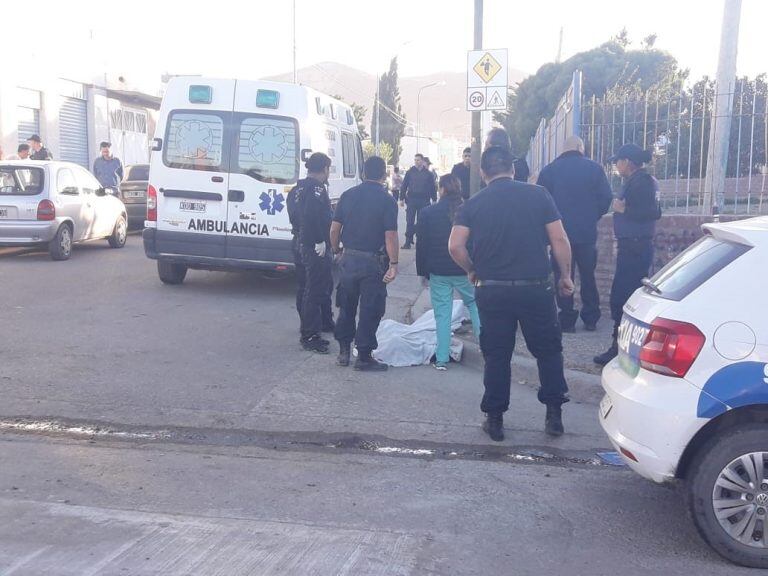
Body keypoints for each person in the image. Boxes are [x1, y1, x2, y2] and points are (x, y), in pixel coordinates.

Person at [449, 145, 574, 441]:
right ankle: (554, 416)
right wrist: (566, 276)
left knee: (497, 355)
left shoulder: (474, 204)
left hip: (492, 290)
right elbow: (559, 238)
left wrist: (471, 269)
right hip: (536, 289)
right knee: (548, 351)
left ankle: (495, 420)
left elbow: (455, 246)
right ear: (514, 169)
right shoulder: (539, 195)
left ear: (482, 173)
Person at [536, 135, 613, 332]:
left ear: (562, 149)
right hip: (586, 234)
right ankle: (591, 318)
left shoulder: (549, 171)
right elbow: (606, 198)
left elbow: (541, 202)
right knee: (588, 276)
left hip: (558, 235)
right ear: (580, 147)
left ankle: (567, 319)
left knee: (563, 276)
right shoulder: (594, 169)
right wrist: (592, 215)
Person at [594, 144, 661, 366]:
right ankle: (620, 346)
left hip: (635, 247)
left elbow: (653, 212)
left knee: (624, 297)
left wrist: (624, 210)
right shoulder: (639, 181)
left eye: (618, 161)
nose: (616, 166)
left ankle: (619, 348)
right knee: (622, 296)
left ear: (628, 162)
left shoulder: (641, 182)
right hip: (632, 246)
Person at [331, 156, 399, 371]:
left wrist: (337, 251)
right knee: (371, 309)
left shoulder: (348, 195)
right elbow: (390, 236)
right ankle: (363, 355)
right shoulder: (387, 200)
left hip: (349, 259)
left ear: (363, 172)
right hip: (373, 263)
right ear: (383, 175)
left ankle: (343, 351)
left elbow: (334, 229)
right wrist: (394, 263)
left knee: (346, 307)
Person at [416, 174, 481, 370]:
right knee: (475, 305)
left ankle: (442, 358)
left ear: (441, 189)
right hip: (465, 269)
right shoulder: (470, 210)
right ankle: (487, 349)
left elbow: (422, 246)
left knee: (442, 314)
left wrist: (422, 272)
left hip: (439, 271)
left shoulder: (428, 213)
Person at [286, 152, 335, 354]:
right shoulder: (316, 189)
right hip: (312, 245)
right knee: (314, 289)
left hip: (298, 241)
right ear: (324, 169)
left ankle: (319, 323)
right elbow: (311, 216)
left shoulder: (297, 188)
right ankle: (310, 335)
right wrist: (319, 240)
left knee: (306, 286)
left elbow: (294, 215)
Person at [400, 153, 436, 249]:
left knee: (422, 221)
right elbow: (404, 185)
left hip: (424, 200)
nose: (416, 162)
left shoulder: (428, 174)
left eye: (418, 160)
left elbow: (433, 187)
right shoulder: (410, 172)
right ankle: (407, 242)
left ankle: (421, 241)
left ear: (423, 161)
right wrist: (401, 198)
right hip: (412, 200)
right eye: (415, 160)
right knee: (409, 221)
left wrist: (434, 199)